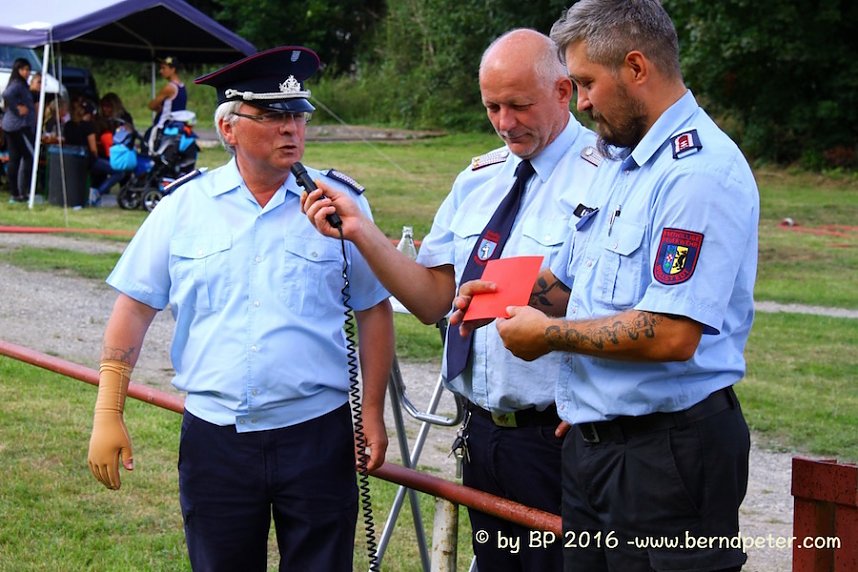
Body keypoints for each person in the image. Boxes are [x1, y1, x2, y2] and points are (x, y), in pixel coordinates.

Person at [452, 2, 760, 571]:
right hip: (596, 448)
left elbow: (670, 334)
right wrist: (494, 296)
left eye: (588, 83)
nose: (584, 101)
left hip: (668, 454)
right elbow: (567, 280)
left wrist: (549, 336)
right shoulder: (620, 162)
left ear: (637, 67)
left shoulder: (696, 174)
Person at [86, 45, 394, 571]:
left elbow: (373, 308)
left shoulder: (339, 202)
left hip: (316, 434)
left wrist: (371, 413)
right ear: (229, 129)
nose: (291, 129)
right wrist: (108, 409)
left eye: (298, 116)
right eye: (273, 115)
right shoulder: (184, 207)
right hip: (215, 440)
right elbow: (134, 307)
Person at [304, 29, 599, 571]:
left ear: (563, 90)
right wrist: (362, 233)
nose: (505, 122)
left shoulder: (609, 178)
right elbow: (433, 300)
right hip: (484, 434)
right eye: (492, 106)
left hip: (563, 438)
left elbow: (622, 307)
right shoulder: (478, 178)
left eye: (519, 105)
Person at [2, 57, 36, 203]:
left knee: (15, 158)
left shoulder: (22, 85)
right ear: (18, 70)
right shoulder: (17, 84)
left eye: (28, 69)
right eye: (24, 69)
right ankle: (21, 190)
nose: (27, 72)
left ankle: (15, 192)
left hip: (11, 125)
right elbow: (7, 95)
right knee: (29, 156)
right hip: (18, 126)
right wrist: (17, 109)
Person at [148, 55, 186, 129]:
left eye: (163, 68)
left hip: (164, 126)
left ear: (173, 69)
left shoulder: (169, 88)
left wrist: (160, 108)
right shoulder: (182, 86)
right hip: (178, 125)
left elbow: (152, 105)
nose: (161, 71)